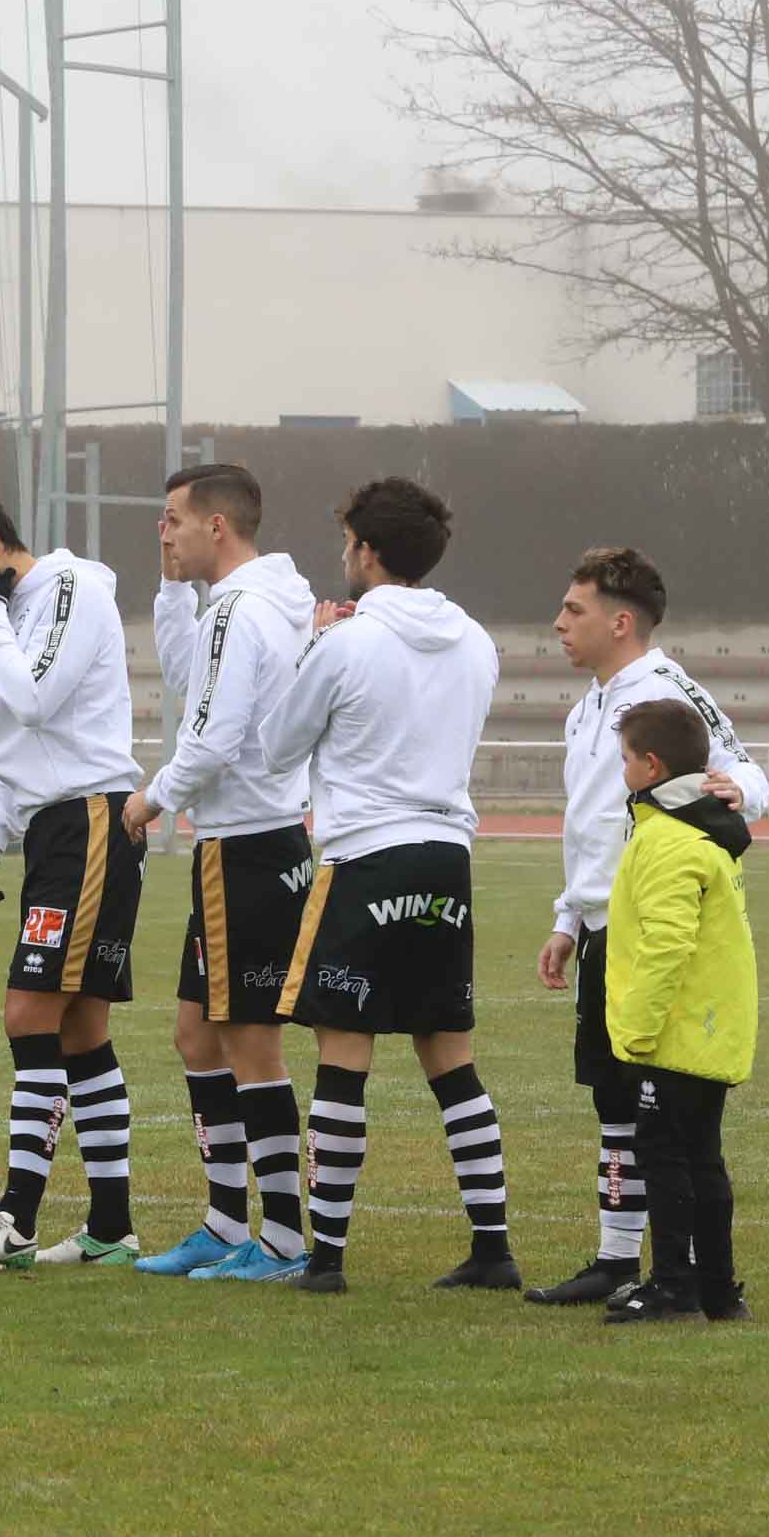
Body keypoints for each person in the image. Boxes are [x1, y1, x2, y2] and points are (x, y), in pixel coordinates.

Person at [261, 476, 512, 1296]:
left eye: (347, 547)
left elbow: (276, 748)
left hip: (367, 854)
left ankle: (326, 1258)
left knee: (343, 1057)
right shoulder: (476, 640)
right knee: (451, 1058)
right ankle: (492, 1247)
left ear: (367, 553)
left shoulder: (348, 640)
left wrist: (312, 643)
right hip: (448, 854)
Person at [526, 547, 769, 1307]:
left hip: (648, 932)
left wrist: (742, 789)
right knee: (613, 1096)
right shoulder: (588, 705)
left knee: (653, 1108)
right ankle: (617, 1256)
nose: (559, 624)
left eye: (574, 610)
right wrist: (569, 917)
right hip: (602, 923)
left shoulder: (665, 690)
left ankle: (668, 1269)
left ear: (620, 621)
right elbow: (591, 829)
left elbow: (745, 769)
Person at [0, 488, 147, 1272]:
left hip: (89, 821)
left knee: (28, 1013)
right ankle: (112, 1228)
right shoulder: (17, 608)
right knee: (81, 1030)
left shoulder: (69, 591)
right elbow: (15, 737)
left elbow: (35, 700)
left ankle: (16, 1218)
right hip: (61, 826)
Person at [120, 463, 321, 1282]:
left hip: (252, 846)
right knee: (196, 1036)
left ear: (219, 525)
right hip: (234, 847)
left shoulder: (243, 611)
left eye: (172, 519)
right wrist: (171, 591)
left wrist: (150, 799)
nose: (162, 532)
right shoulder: (239, 607)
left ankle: (281, 1239)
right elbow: (193, 686)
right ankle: (224, 1219)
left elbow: (211, 738)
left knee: (251, 1046)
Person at [596, 699, 758, 1325]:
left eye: (626, 759)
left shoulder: (668, 839)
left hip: (678, 1032)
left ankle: (671, 1285)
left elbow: (667, 944)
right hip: (710, 1028)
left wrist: (635, 1031)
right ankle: (718, 1289)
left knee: (665, 1157)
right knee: (702, 1157)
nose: (623, 770)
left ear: (650, 765)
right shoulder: (706, 831)